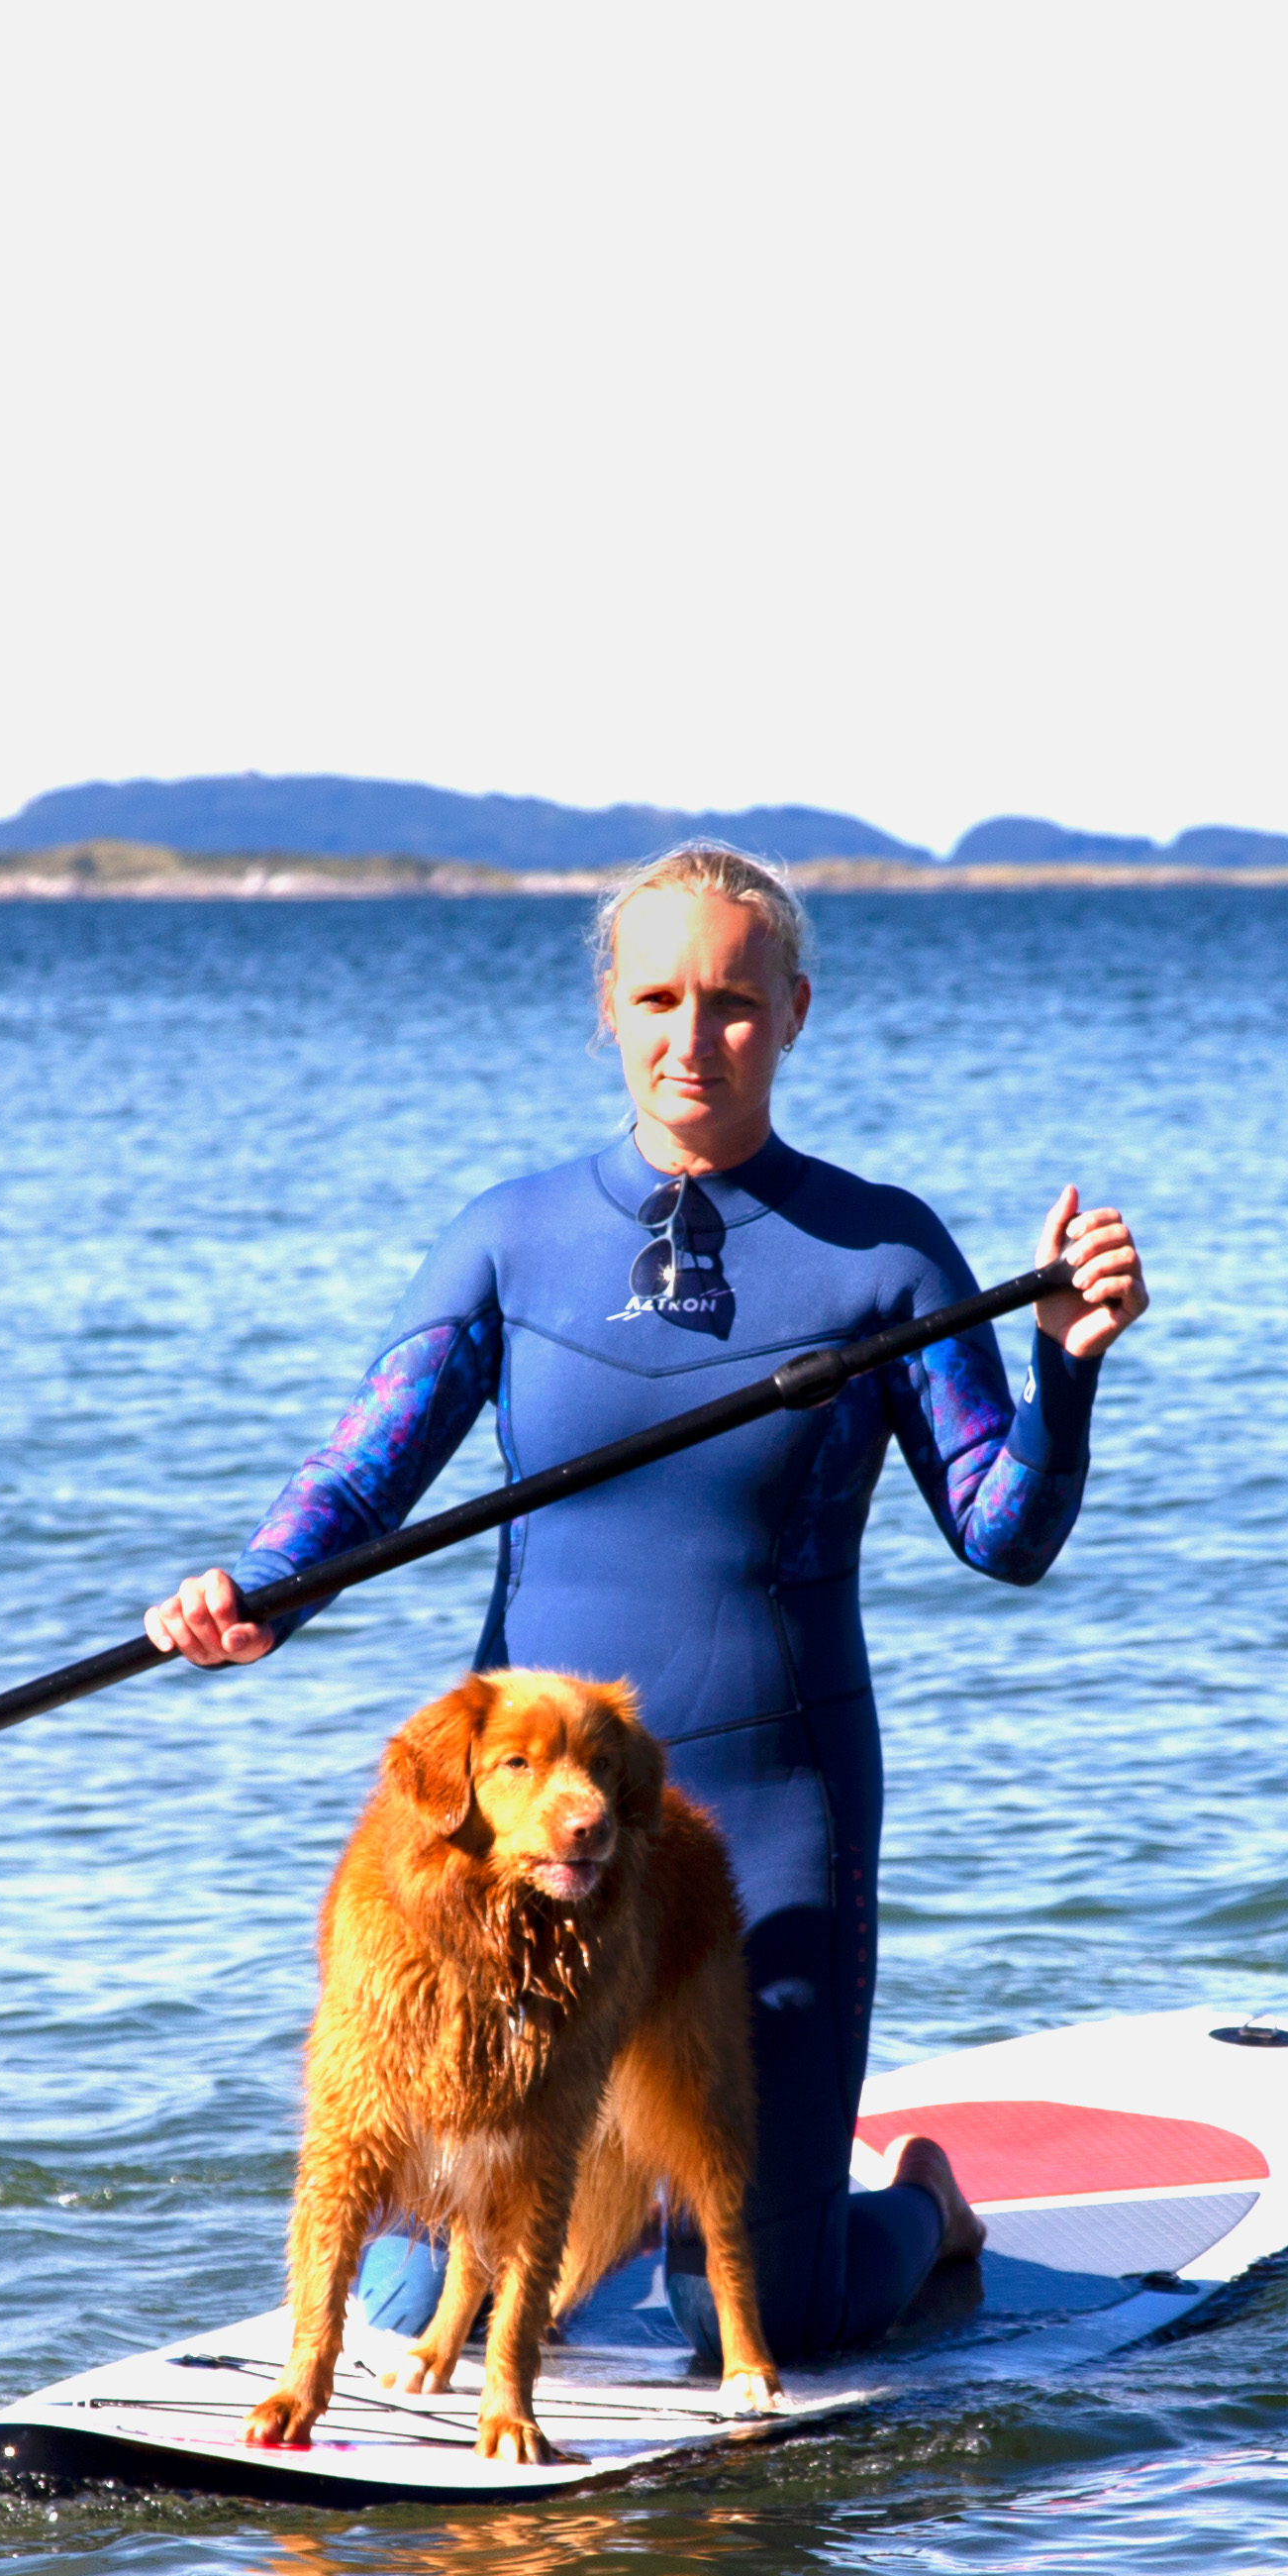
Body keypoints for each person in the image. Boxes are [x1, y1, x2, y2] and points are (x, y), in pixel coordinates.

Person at [148, 841, 1151, 2362]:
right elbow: (360, 1484)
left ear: (797, 1013)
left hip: (763, 1817)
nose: (698, 1038)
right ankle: (596, 2202)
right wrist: (255, 1595)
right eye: (663, 997)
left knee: (769, 2310)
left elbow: (1003, 1537)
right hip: (508, 1853)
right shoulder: (511, 1239)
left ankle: (924, 2211)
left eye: (738, 1003)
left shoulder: (885, 1258)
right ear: (608, 1009)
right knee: (414, 2301)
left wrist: (1067, 1371)